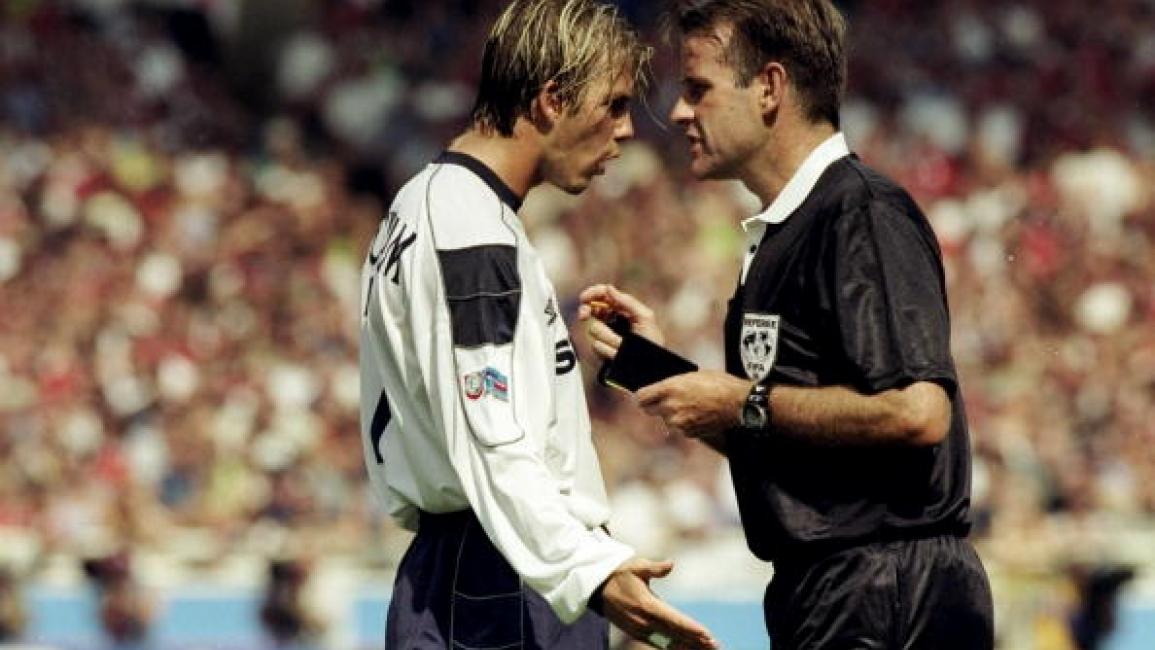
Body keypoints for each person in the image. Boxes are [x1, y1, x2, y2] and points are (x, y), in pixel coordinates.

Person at [579, 1, 995, 648]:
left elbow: (918, 413)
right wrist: (655, 371)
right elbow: (783, 438)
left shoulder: (859, 212)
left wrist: (740, 399)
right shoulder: (780, 239)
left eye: (697, 89)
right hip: (827, 591)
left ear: (769, 87)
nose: (680, 112)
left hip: (887, 597)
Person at [358, 1, 718, 648]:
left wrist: (641, 367)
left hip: (486, 564)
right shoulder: (470, 234)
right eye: (613, 105)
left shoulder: (432, 205)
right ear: (552, 100)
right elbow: (492, 437)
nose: (628, 130)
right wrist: (591, 573)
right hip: (494, 581)